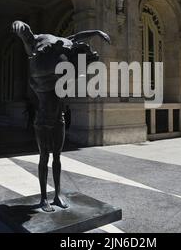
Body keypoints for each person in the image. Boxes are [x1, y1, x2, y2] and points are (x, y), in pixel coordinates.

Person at [12, 20, 110, 212]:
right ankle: (43, 198)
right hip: (42, 120)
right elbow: (26, 33)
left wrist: (97, 31)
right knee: (43, 158)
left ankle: (56, 195)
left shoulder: (62, 58)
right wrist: (19, 24)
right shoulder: (39, 50)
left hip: (59, 118)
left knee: (56, 157)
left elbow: (79, 37)